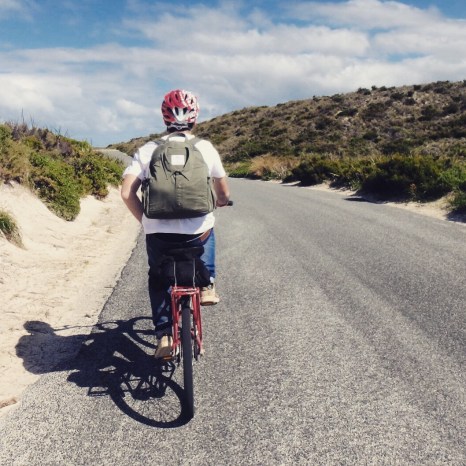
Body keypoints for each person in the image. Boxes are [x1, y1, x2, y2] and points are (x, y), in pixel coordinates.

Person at [121, 89, 230, 358]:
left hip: (158, 233)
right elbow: (223, 191)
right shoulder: (205, 148)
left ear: (164, 117)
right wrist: (223, 201)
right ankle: (206, 285)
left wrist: (146, 221)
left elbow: (126, 192)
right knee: (208, 227)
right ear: (195, 117)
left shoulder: (148, 150)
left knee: (158, 280)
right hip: (197, 231)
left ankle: (165, 336)